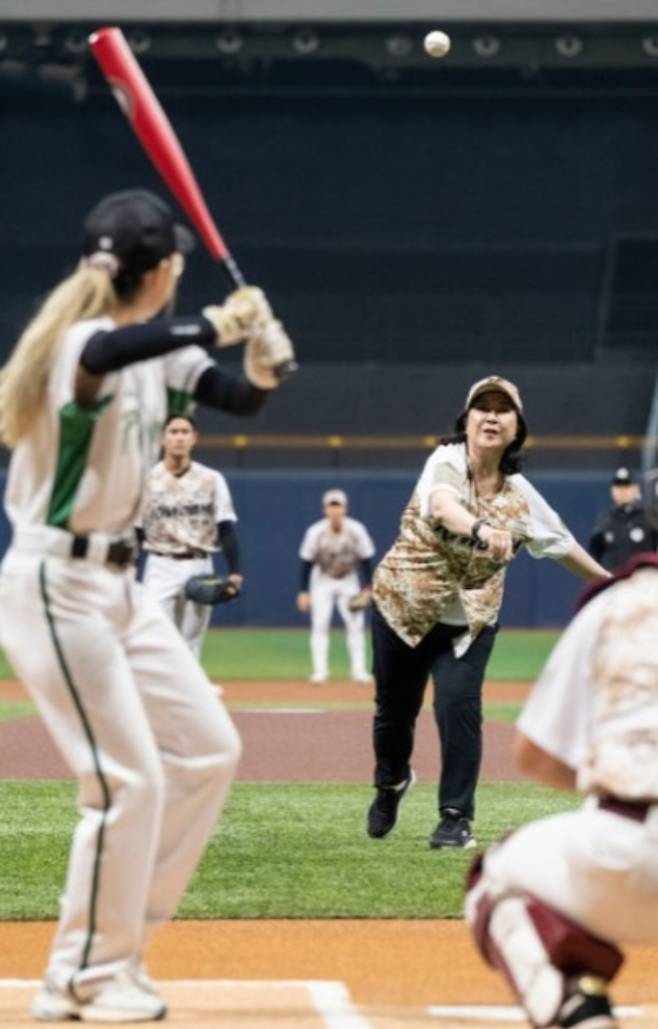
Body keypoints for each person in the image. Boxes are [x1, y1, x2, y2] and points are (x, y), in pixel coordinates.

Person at [0, 188, 294, 1022]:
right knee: (124, 780)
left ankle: (113, 948)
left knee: (206, 750)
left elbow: (239, 398)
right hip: (58, 587)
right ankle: (85, 975)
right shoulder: (79, 343)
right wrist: (218, 321)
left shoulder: (155, 354)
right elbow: (119, 347)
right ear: (160, 272)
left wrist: (265, 361)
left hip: (120, 591)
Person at [366, 376, 609, 850]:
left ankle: (455, 818)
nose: (492, 415)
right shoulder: (445, 460)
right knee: (394, 714)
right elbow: (442, 506)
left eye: (503, 409)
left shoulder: (522, 497)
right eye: (482, 407)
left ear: (517, 429)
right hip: (403, 608)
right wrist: (481, 529)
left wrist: (623, 585)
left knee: (458, 706)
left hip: (468, 622)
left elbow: (564, 547)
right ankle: (390, 781)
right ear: (466, 421)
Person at [465, 553, 658, 1029]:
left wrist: (617, 770)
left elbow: (535, 755)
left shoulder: (620, 602)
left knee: (495, 874)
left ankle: (574, 1009)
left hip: (625, 851)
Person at [140, 412, 242, 659]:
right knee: (155, 640)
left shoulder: (211, 479)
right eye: (173, 432)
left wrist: (236, 571)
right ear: (163, 438)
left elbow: (225, 526)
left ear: (194, 438)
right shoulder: (147, 479)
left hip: (198, 565)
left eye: (185, 432)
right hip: (159, 564)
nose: (179, 437)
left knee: (190, 645)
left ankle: (187, 696)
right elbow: (135, 530)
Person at [296, 489, 376, 684]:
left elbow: (366, 560)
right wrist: (303, 591)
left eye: (338, 505)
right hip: (322, 580)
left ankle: (358, 671)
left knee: (355, 624)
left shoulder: (356, 529)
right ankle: (320, 672)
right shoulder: (315, 532)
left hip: (349, 580)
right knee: (320, 624)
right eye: (331, 506)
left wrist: (369, 588)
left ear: (345, 508)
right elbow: (306, 563)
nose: (335, 510)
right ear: (325, 509)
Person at [589, 466, 658, 572]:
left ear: (636, 489)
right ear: (612, 490)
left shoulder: (649, 517)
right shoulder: (606, 520)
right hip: (615, 584)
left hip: (643, 583)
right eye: (618, 486)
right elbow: (594, 555)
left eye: (627, 485)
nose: (623, 491)